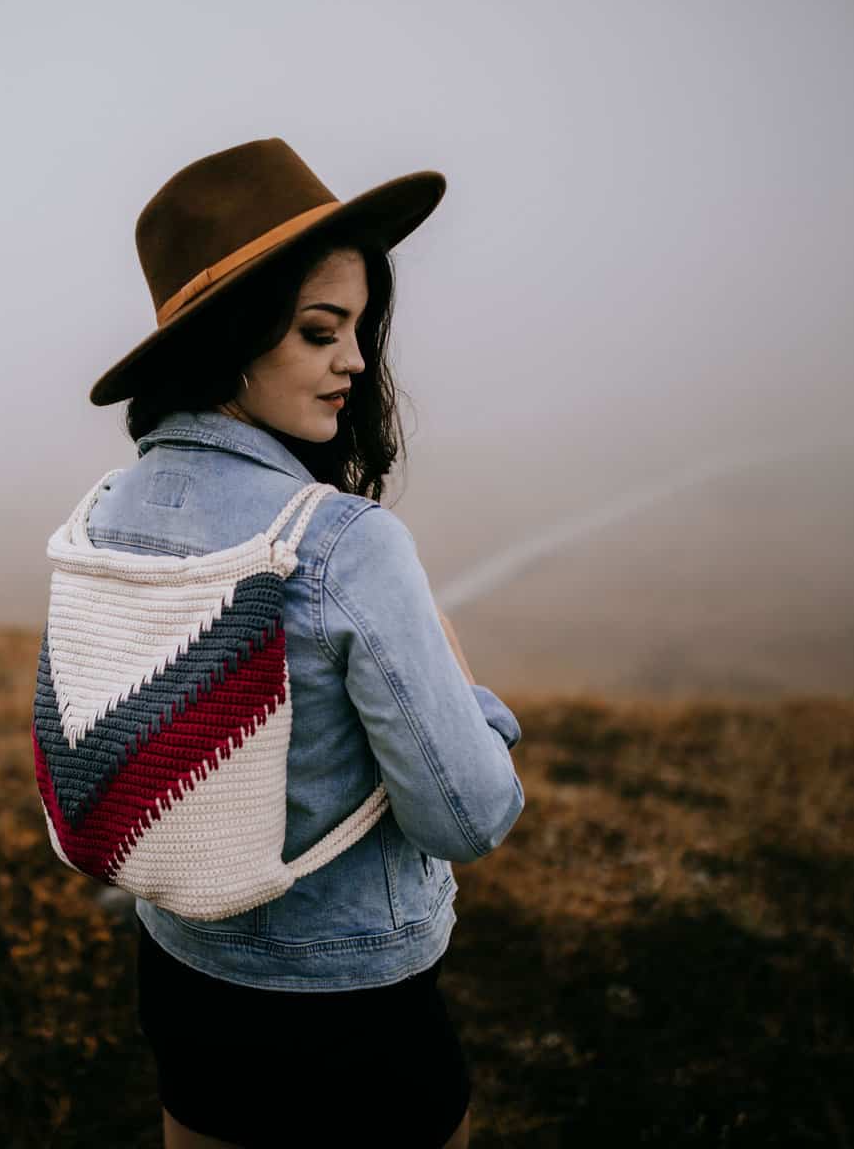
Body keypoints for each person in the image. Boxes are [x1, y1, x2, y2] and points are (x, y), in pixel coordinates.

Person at [78, 138, 525, 1148]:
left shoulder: (103, 514)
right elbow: (467, 816)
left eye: (359, 330)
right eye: (322, 330)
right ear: (233, 333)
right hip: (351, 998)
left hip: (181, 965)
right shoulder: (342, 544)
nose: (356, 363)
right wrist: (463, 683)